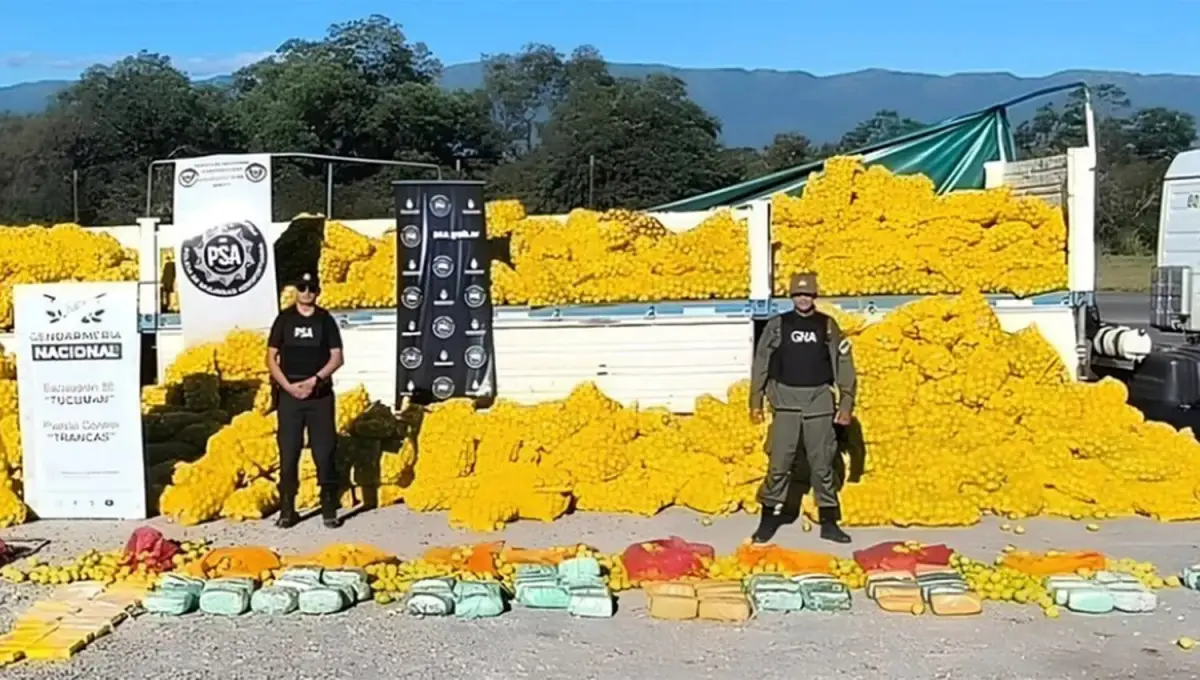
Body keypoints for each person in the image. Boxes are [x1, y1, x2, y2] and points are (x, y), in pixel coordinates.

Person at [749, 273, 856, 544]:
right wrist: (755, 401)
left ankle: (829, 521)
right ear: (792, 297)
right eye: (798, 294)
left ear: (815, 296)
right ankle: (768, 519)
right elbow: (761, 363)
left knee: (822, 464)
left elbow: (844, 365)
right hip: (785, 404)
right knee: (779, 463)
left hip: (818, 404)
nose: (803, 299)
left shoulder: (828, 326)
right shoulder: (777, 325)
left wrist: (846, 403)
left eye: (808, 294)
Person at [266, 272, 346, 529]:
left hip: (319, 396)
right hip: (290, 397)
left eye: (311, 288)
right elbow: (270, 358)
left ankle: (329, 508)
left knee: (324, 453)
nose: (307, 292)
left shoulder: (325, 321)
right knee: (289, 454)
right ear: (296, 291)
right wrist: (287, 386)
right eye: (302, 287)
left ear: (318, 291)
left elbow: (337, 358)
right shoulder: (284, 319)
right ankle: (288, 509)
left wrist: (315, 380)